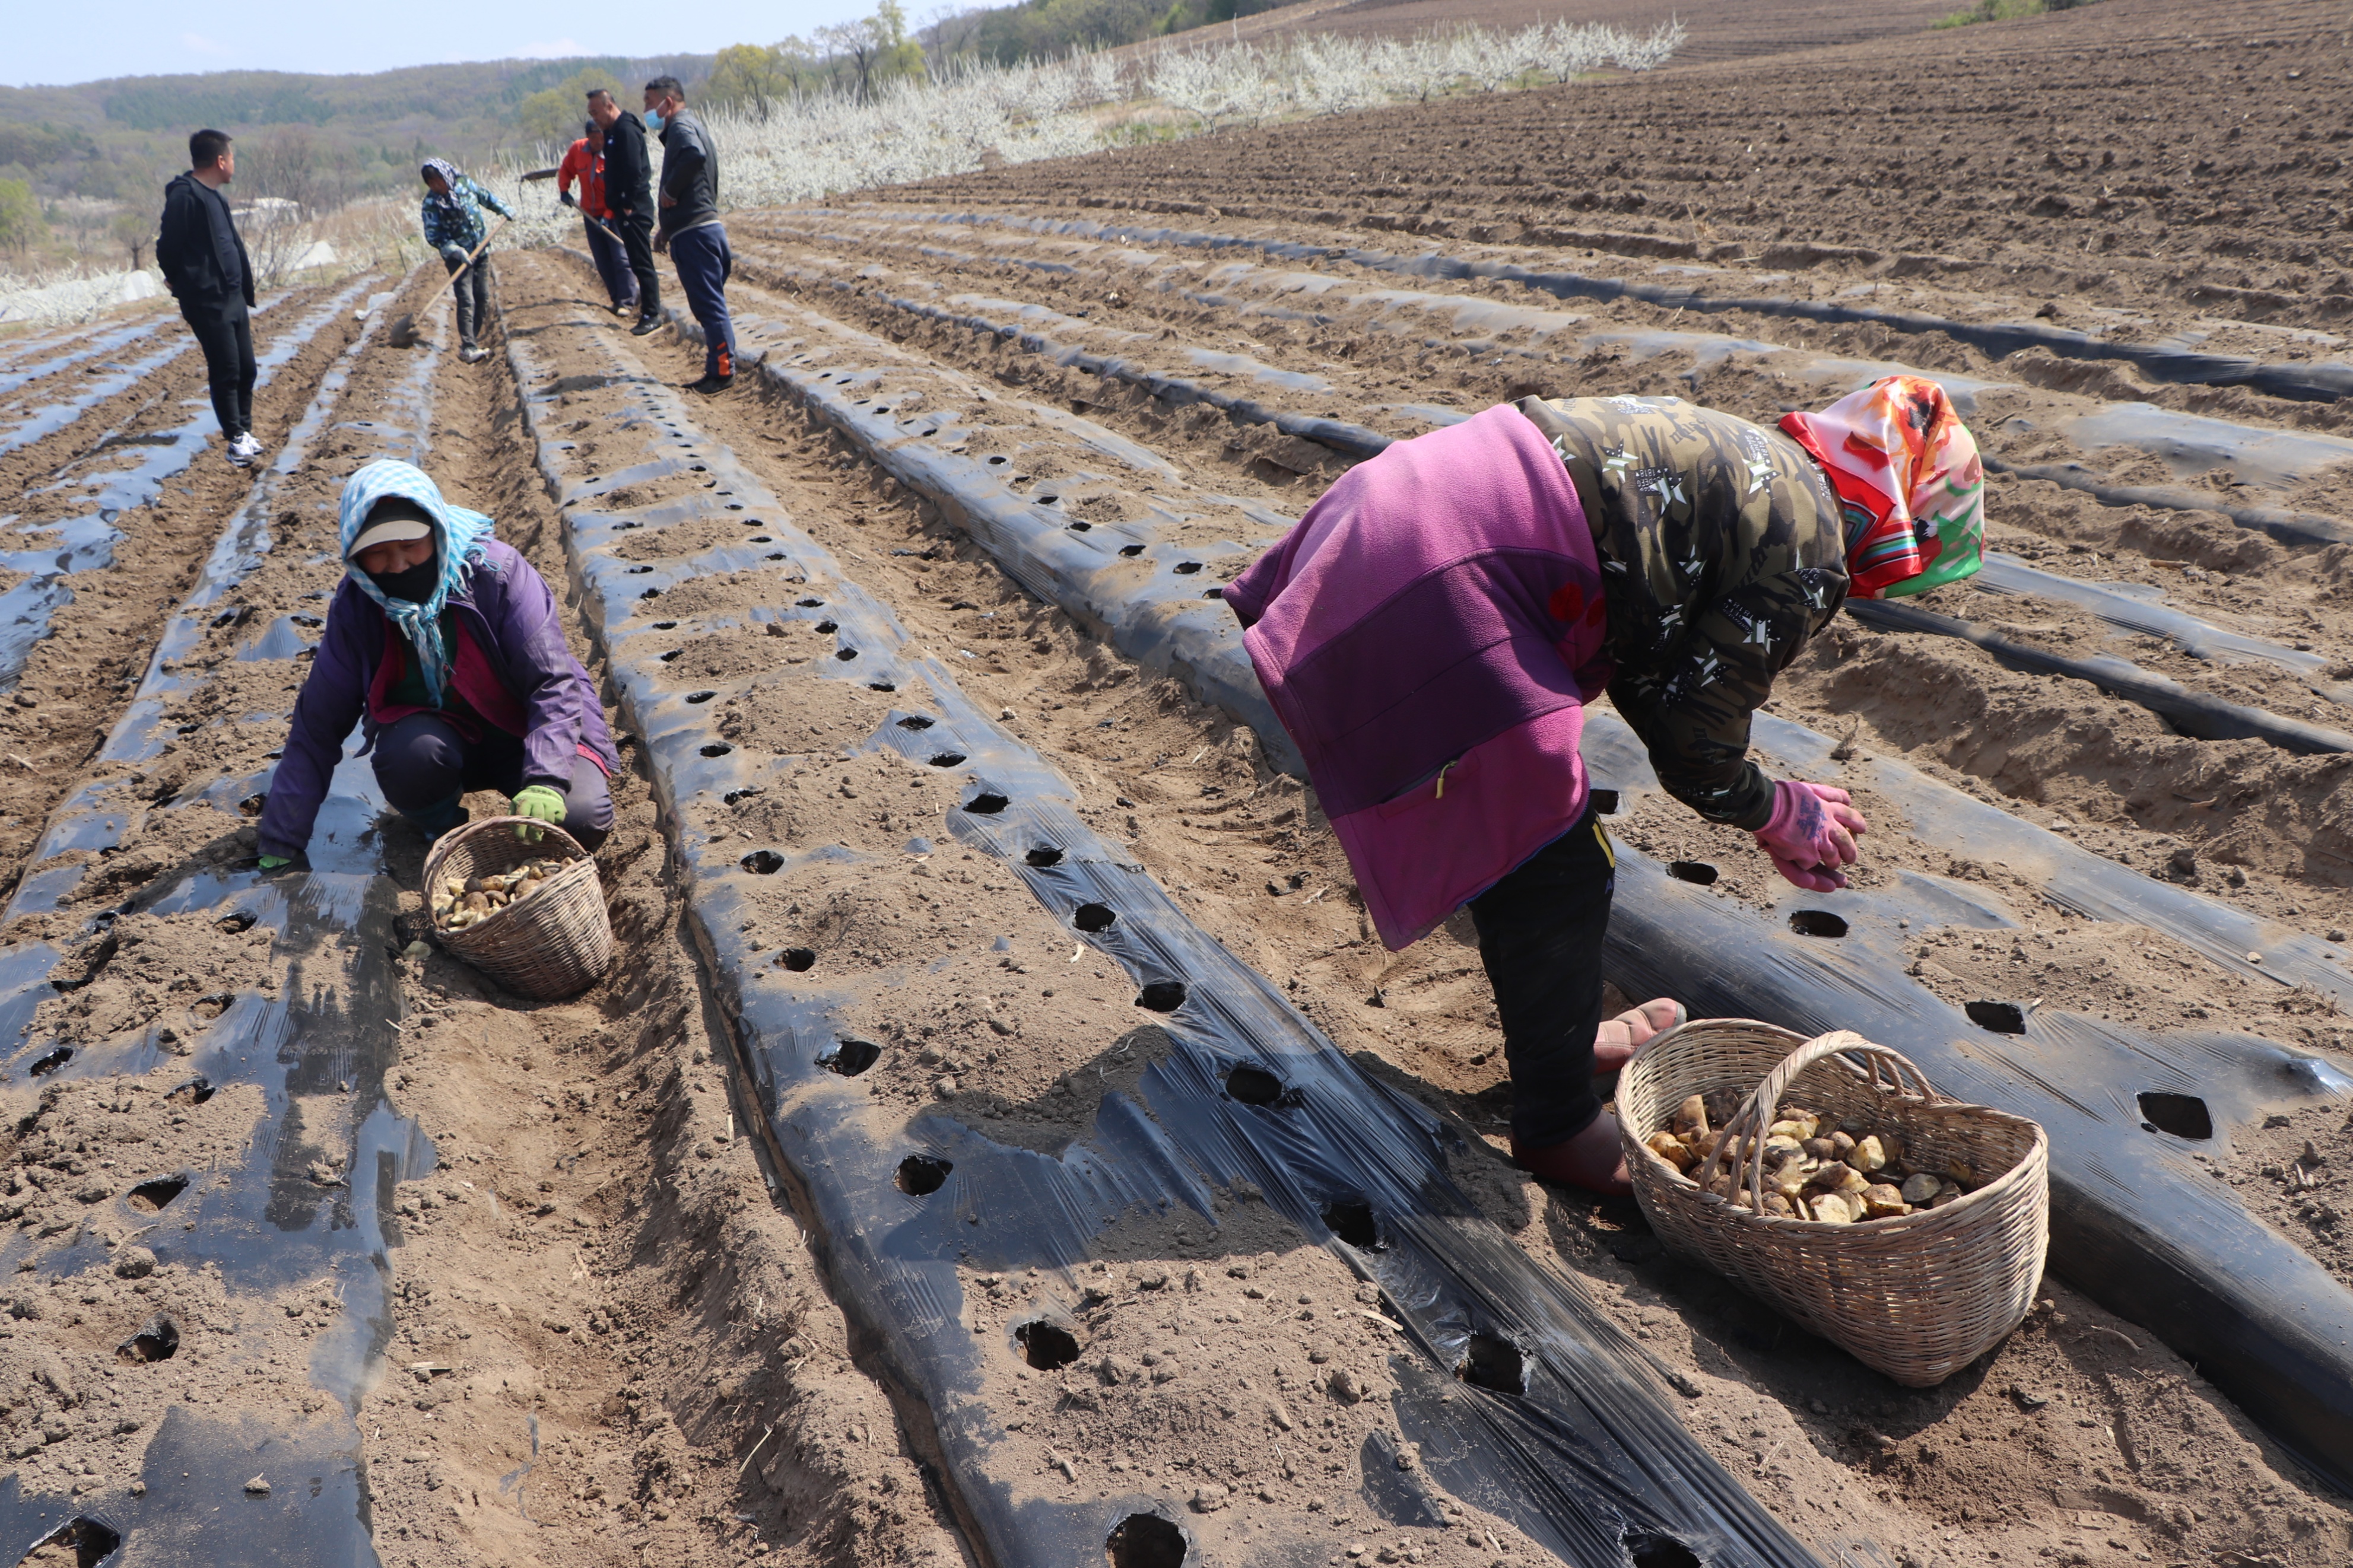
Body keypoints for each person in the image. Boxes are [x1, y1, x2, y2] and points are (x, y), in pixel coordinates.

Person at [1222, 376, 1985, 1195]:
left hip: (1398, 507)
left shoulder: (1760, 463)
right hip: (1445, 569)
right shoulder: (1810, 545)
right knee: (1556, 859)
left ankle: (1565, 1033)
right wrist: (1775, 808)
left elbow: (1650, 653)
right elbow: (1694, 740)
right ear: (1902, 519)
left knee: (1528, 843)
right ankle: (1555, 1126)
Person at [257, 460, 620, 872]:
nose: (397, 565)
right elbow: (318, 723)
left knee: (581, 817)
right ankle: (447, 833)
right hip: (443, 744)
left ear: (436, 530)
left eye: (411, 545)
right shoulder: (358, 605)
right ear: (355, 553)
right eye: (377, 552)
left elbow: (551, 684)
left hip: (526, 730)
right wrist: (282, 836)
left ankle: (533, 822)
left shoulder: (495, 574)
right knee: (408, 756)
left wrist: (547, 780)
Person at [155, 129, 260, 468]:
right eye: (232, 158)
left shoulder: (216, 196)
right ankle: (235, 439)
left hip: (233, 296)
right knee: (226, 368)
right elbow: (167, 247)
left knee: (247, 368)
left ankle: (245, 432)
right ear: (220, 160)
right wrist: (185, 285)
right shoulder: (185, 197)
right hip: (207, 300)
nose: (234, 164)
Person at [643, 75, 734, 393]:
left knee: (710, 307)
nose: (647, 111)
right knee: (708, 305)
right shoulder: (691, 126)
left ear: (668, 102)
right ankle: (715, 370)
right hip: (699, 230)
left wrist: (670, 189)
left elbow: (694, 156)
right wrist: (666, 229)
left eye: (649, 103)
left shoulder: (682, 127)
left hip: (697, 234)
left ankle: (722, 373)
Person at [418, 158, 514, 364]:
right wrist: (454, 249)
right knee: (466, 299)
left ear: (447, 177)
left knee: (483, 298)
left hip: (480, 250)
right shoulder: (431, 203)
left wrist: (502, 208)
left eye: (438, 182)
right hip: (457, 258)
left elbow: (484, 197)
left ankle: (473, 340)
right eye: (432, 184)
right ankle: (468, 347)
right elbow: (433, 235)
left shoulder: (464, 184)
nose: (436, 187)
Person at [588, 87, 661, 337]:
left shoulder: (626, 130)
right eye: (591, 113)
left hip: (635, 208)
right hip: (623, 207)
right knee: (636, 260)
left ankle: (652, 313)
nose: (594, 117)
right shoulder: (612, 132)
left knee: (642, 262)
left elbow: (633, 170)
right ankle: (648, 312)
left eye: (596, 111)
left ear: (609, 106)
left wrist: (628, 202)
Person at [557, 119, 637, 316]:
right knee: (602, 260)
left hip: (613, 212)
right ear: (588, 137)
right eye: (593, 138)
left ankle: (628, 301)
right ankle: (616, 298)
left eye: (601, 137)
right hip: (590, 214)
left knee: (620, 258)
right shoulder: (578, 149)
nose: (598, 141)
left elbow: (617, 190)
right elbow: (566, 169)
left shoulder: (612, 154)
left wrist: (608, 216)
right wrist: (564, 190)